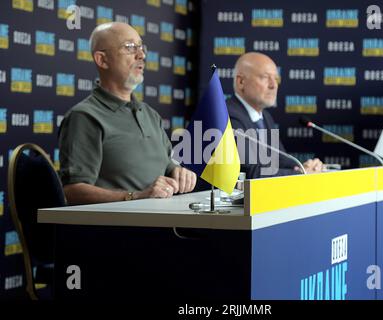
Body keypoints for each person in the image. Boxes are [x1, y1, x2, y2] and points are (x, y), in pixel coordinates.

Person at [58, 22, 196, 205]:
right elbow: (72, 191)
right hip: (120, 229)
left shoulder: (150, 114)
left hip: (164, 222)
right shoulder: (85, 116)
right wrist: (136, 196)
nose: (142, 55)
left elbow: (167, 164)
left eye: (141, 47)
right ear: (102, 60)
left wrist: (177, 171)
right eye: (130, 47)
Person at [227, 52, 323, 179]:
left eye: (276, 79)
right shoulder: (229, 116)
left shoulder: (265, 116)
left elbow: (282, 159)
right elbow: (250, 173)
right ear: (241, 82)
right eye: (265, 77)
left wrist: (307, 167)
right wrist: (301, 173)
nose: (273, 85)